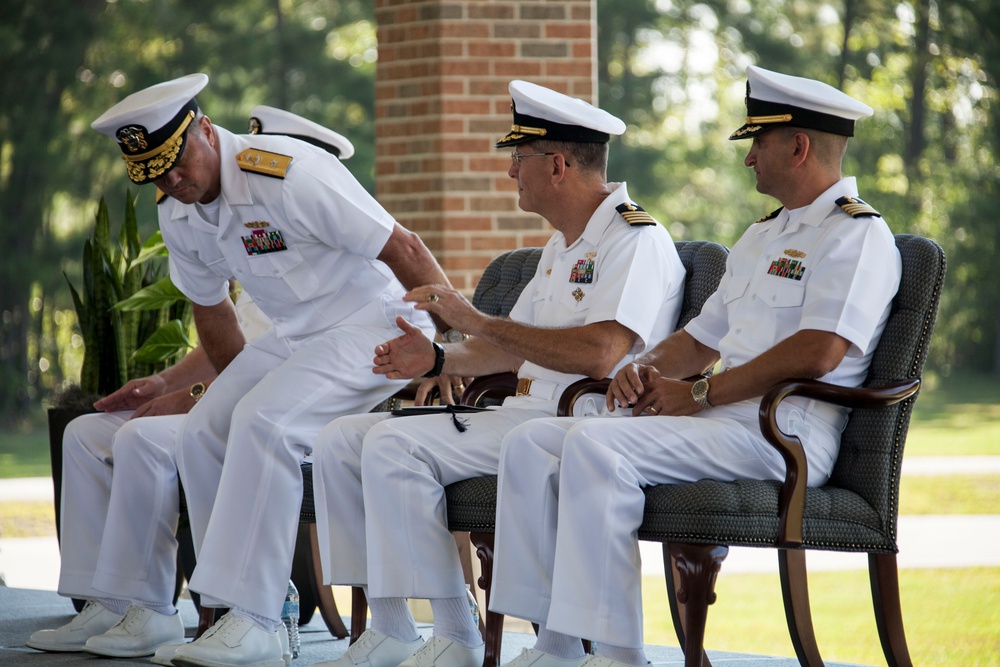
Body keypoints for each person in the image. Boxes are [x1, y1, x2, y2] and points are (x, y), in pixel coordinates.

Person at [487, 65, 903, 667]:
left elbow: (820, 350)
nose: (748, 159)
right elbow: (702, 336)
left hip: (781, 432)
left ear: (799, 145)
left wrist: (701, 395)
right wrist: (644, 368)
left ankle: (620, 655)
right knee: (531, 444)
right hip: (723, 422)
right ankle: (554, 644)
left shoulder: (857, 235)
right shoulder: (763, 237)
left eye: (757, 142)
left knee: (597, 448)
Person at [309, 80, 686, 667]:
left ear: (557, 165)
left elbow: (602, 353)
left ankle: (497, 640)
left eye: (519, 158)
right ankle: (393, 627)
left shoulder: (635, 239)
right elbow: (511, 351)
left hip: (583, 418)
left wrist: (473, 319)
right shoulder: (561, 246)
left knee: (390, 444)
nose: (511, 172)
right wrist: (437, 359)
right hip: (523, 413)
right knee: (344, 439)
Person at [90, 75, 455, 667]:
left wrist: (448, 352)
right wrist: (230, 393)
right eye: (153, 173)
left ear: (205, 129)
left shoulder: (285, 172)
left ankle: (254, 618)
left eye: (176, 162)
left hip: (375, 321)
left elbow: (404, 248)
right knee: (206, 428)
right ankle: (239, 608)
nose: (171, 181)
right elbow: (213, 312)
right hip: (298, 336)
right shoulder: (179, 214)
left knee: (267, 421)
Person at [27, 107, 355, 662]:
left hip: (281, 405)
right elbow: (224, 347)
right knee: (85, 433)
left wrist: (194, 398)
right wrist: (160, 384)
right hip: (234, 395)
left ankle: (179, 606)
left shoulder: (326, 255)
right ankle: (107, 601)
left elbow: (289, 366)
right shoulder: (249, 242)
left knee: (146, 440)